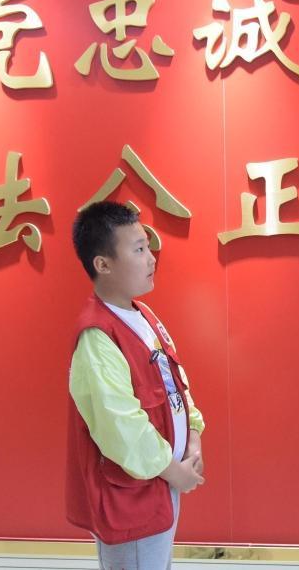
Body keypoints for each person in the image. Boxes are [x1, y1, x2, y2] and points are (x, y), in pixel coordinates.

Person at [67, 200, 205, 570]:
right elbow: (120, 427)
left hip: (163, 480)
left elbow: (176, 383)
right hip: (134, 494)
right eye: (139, 249)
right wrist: (174, 471)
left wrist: (193, 435)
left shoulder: (143, 315)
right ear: (103, 264)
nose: (151, 259)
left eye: (148, 246)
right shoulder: (97, 336)